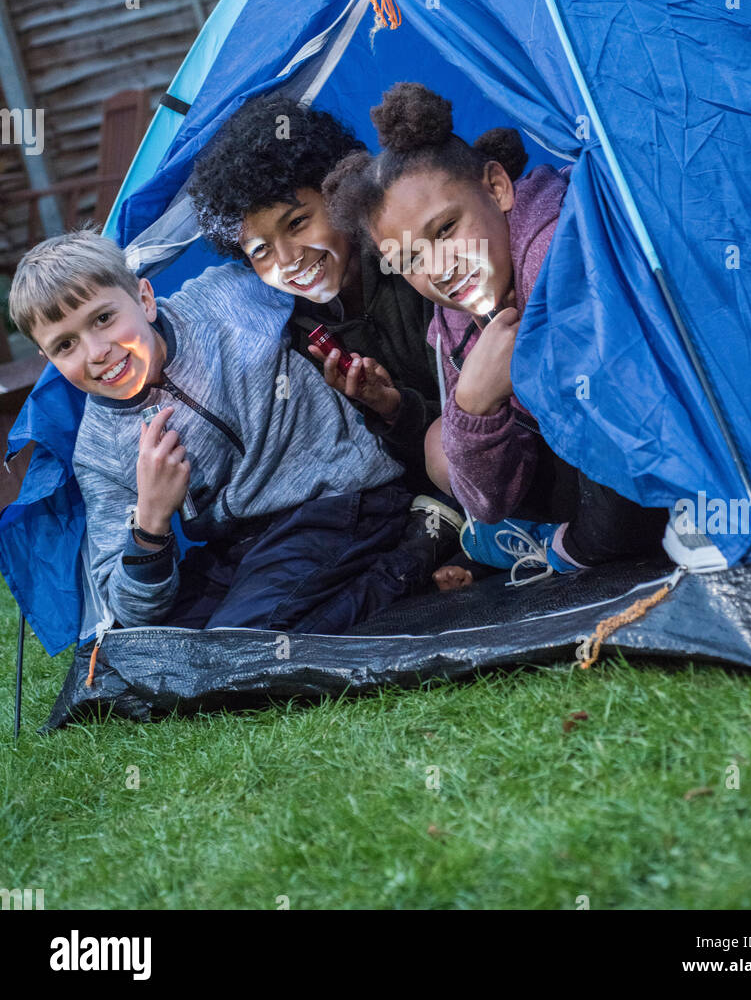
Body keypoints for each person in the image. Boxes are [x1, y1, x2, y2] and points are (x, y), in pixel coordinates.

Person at [7, 229, 459, 634]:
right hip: (240, 546)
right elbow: (128, 606)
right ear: (50, 361)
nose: (97, 351)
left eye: (103, 318)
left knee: (241, 638)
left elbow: (310, 259)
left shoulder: (225, 297)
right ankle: (399, 552)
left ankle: (414, 552)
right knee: (141, 650)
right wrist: (150, 521)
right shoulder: (99, 451)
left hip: (341, 496)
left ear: (144, 300)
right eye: (65, 345)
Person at [324, 82, 669, 582]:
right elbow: (488, 500)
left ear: (497, 188)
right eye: (412, 258)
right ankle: (538, 535)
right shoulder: (452, 324)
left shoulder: (559, 241)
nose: (440, 267)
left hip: (655, 429)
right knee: (443, 443)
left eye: (444, 230)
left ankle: (568, 543)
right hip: (582, 455)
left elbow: (626, 404)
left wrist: (580, 545)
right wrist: (474, 404)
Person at [187, 91, 444, 501]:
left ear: (338, 193)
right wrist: (391, 409)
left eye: (298, 222)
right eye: (260, 250)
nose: (288, 259)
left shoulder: (414, 259)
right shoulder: (296, 336)